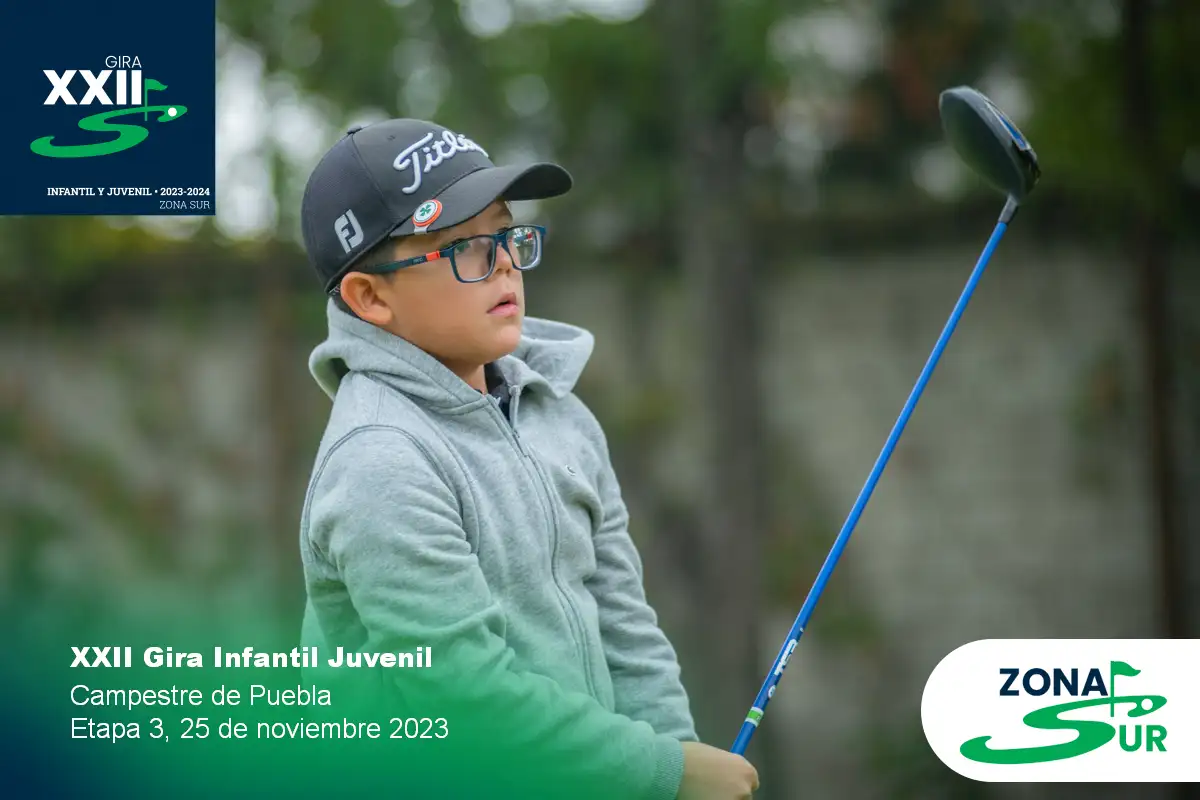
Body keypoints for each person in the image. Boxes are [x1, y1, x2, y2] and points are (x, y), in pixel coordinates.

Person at [296, 118, 759, 799]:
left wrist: (674, 756)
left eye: (507, 235)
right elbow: (466, 701)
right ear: (371, 297)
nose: (506, 262)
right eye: (464, 248)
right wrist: (663, 772)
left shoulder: (561, 417)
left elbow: (625, 628)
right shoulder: (379, 462)